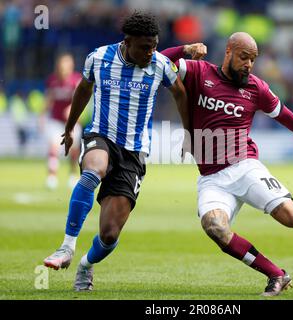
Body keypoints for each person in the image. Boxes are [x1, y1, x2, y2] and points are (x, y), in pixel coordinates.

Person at [161, 32, 293, 297]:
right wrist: (186, 49)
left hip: (245, 166)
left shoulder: (256, 88)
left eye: (253, 60)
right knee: (215, 228)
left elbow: (285, 115)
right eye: (244, 57)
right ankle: (276, 274)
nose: (248, 64)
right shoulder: (200, 72)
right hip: (211, 178)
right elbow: (159, 61)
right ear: (229, 52)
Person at [43, 12, 199, 291]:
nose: (151, 52)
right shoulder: (99, 58)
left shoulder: (161, 65)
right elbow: (83, 89)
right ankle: (66, 247)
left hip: (134, 152)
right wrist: (69, 129)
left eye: (154, 46)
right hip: (101, 135)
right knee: (93, 170)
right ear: (127, 42)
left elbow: (180, 93)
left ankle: (86, 265)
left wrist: (188, 133)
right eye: (145, 47)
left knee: (109, 234)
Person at [42, 53, 83, 189]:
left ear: (71, 66)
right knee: (53, 147)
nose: (63, 68)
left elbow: (81, 100)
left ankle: (72, 174)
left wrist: (71, 108)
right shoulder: (52, 80)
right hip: (55, 121)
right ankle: (52, 177)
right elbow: (49, 99)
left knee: (73, 151)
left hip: (72, 123)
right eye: (61, 65)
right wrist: (41, 115)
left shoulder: (76, 80)